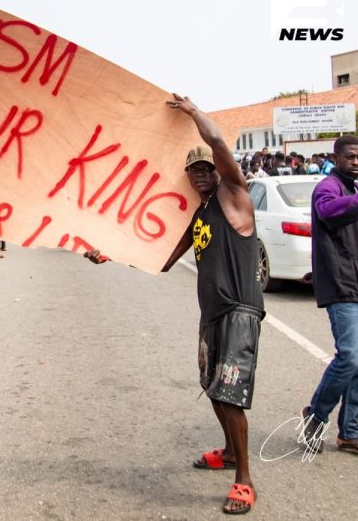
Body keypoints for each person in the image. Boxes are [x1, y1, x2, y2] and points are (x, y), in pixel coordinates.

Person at [86, 94, 264, 514]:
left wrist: (192, 112)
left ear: (217, 172)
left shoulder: (234, 198)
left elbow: (218, 143)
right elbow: (162, 260)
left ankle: (245, 480)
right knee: (213, 387)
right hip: (213, 313)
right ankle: (230, 451)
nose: (200, 174)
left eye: (206, 168)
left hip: (239, 310)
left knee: (231, 392)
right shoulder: (199, 215)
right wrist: (109, 253)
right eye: (193, 169)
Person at [301, 135, 358, 461]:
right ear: (336, 157)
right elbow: (330, 212)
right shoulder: (328, 188)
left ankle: (349, 433)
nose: (356, 162)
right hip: (344, 288)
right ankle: (316, 415)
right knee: (349, 358)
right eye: (350, 157)